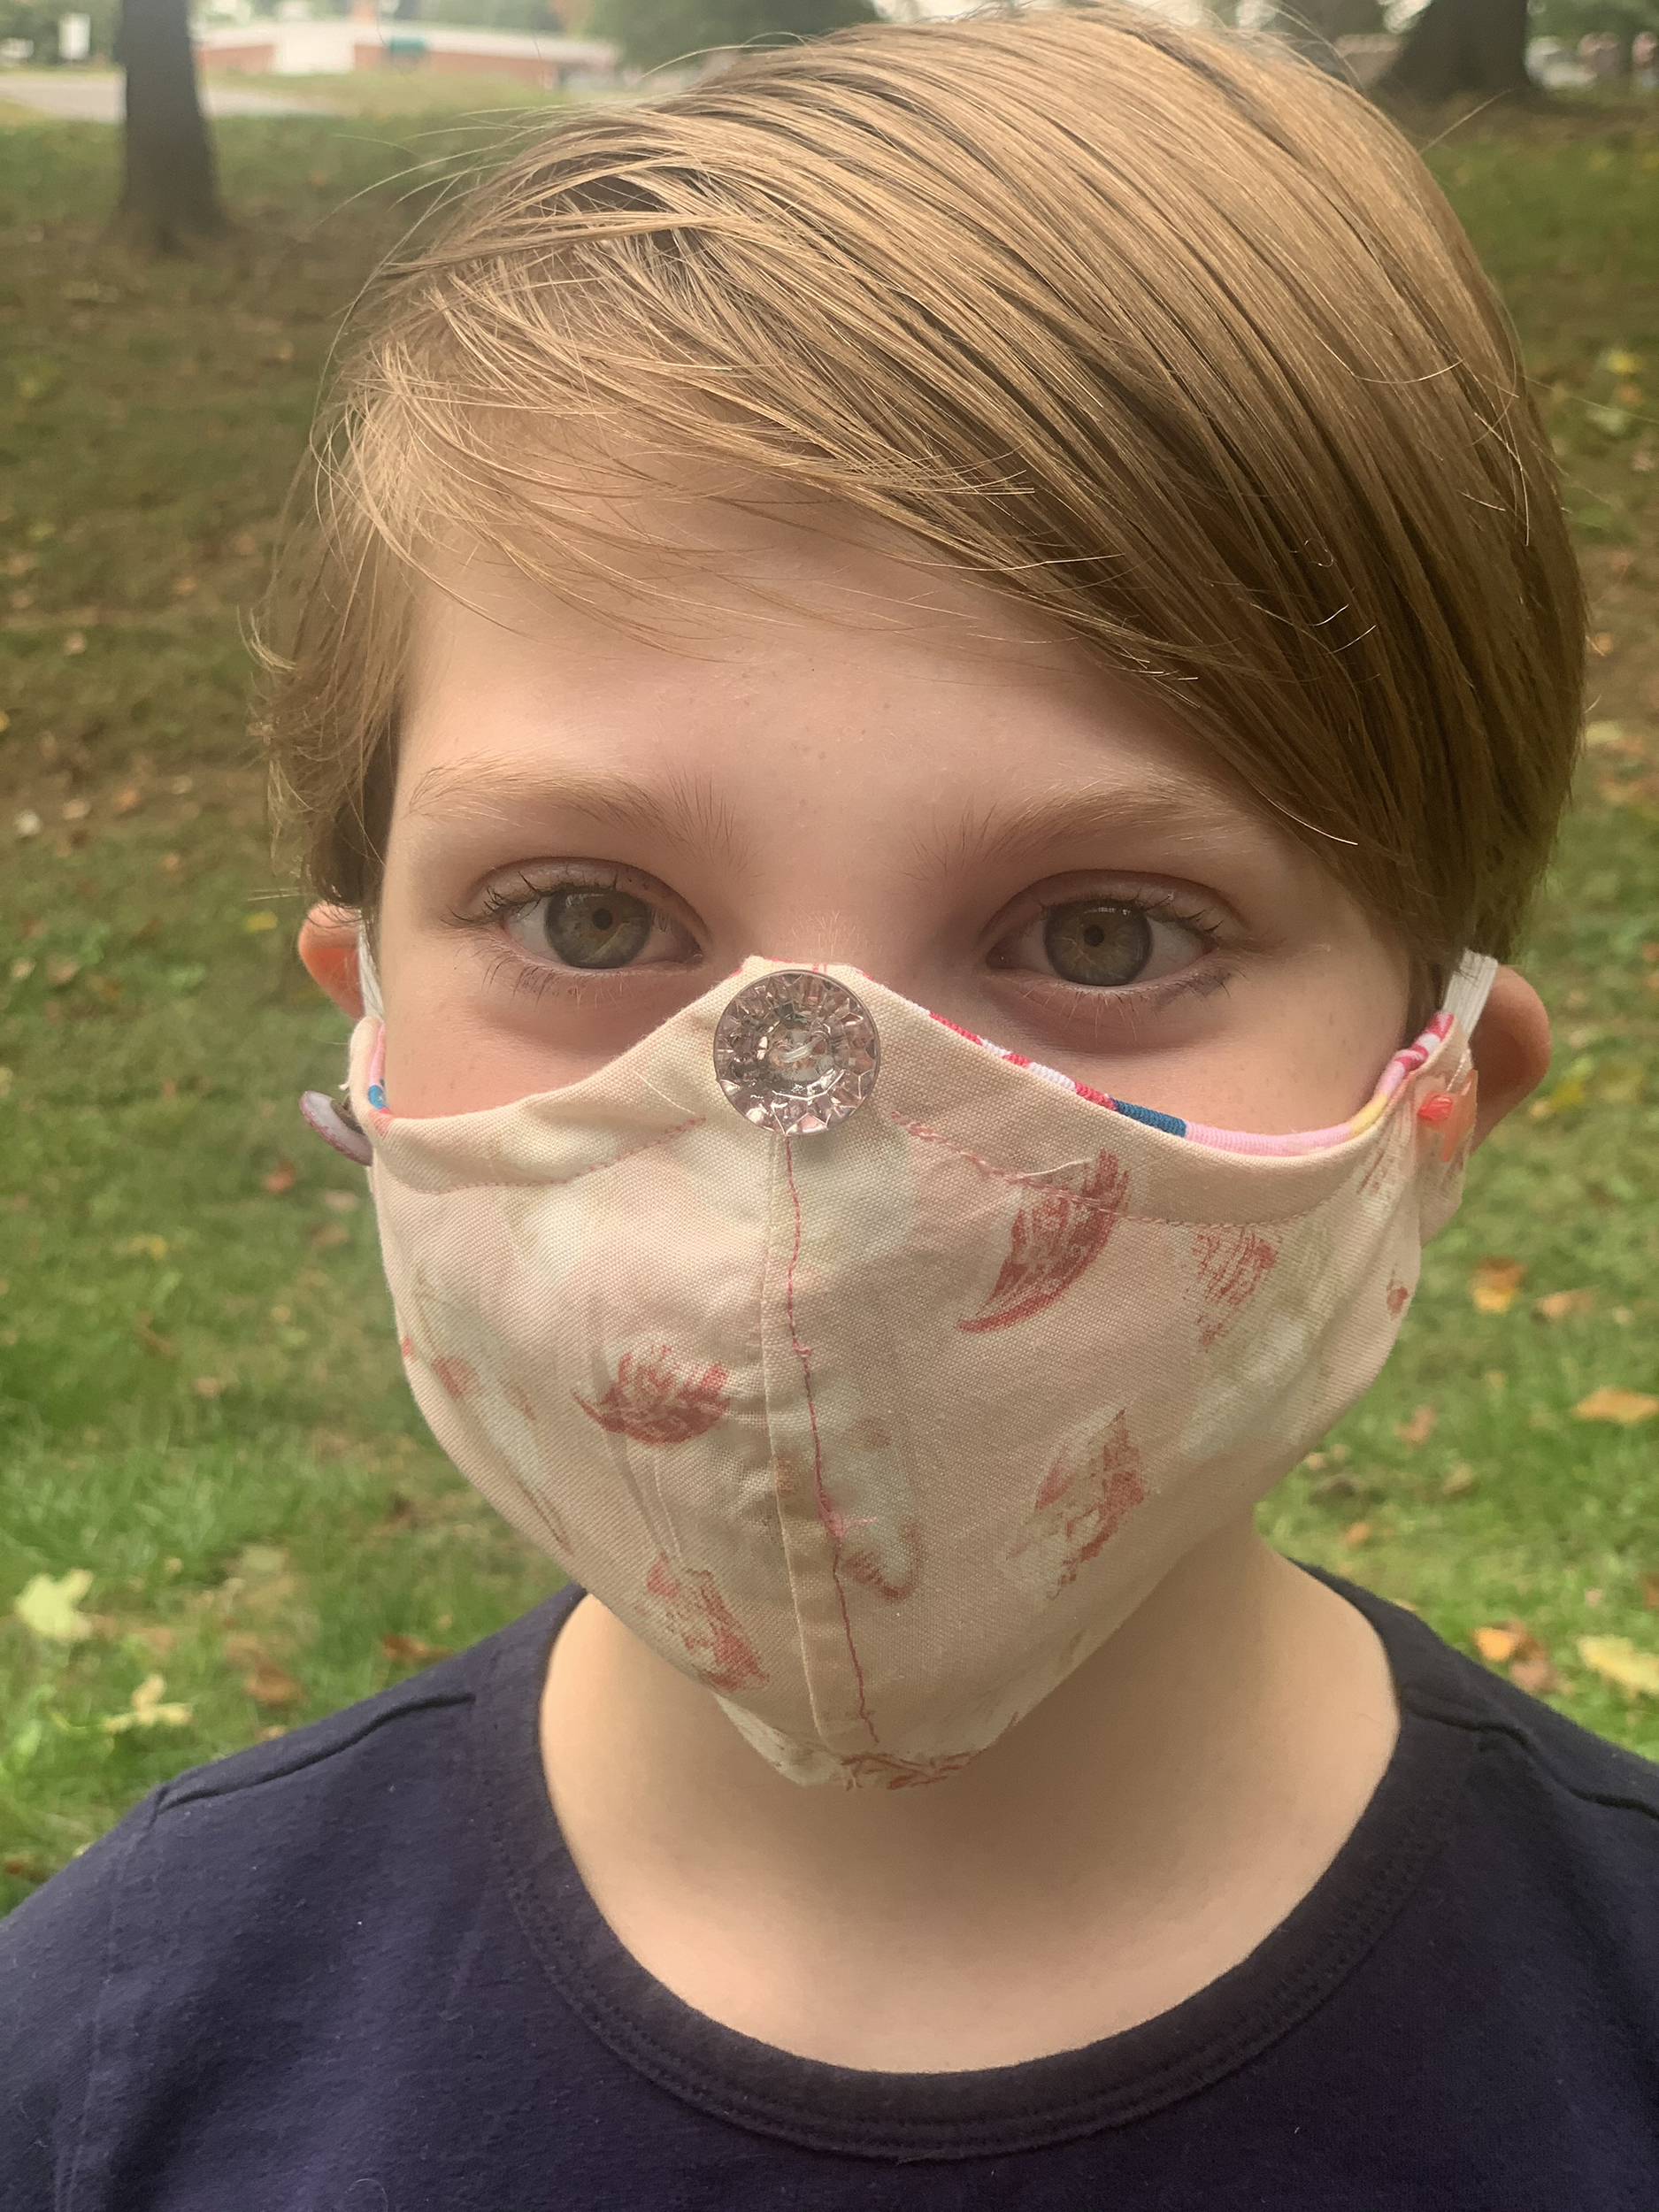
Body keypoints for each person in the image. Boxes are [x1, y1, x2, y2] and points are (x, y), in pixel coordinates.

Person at [5, 8, 1658, 2204]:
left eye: (1097, 935)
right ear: (367, 1021)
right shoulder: (109, 2063)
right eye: (591, 913)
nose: (812, 1133)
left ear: (1434, 1102)